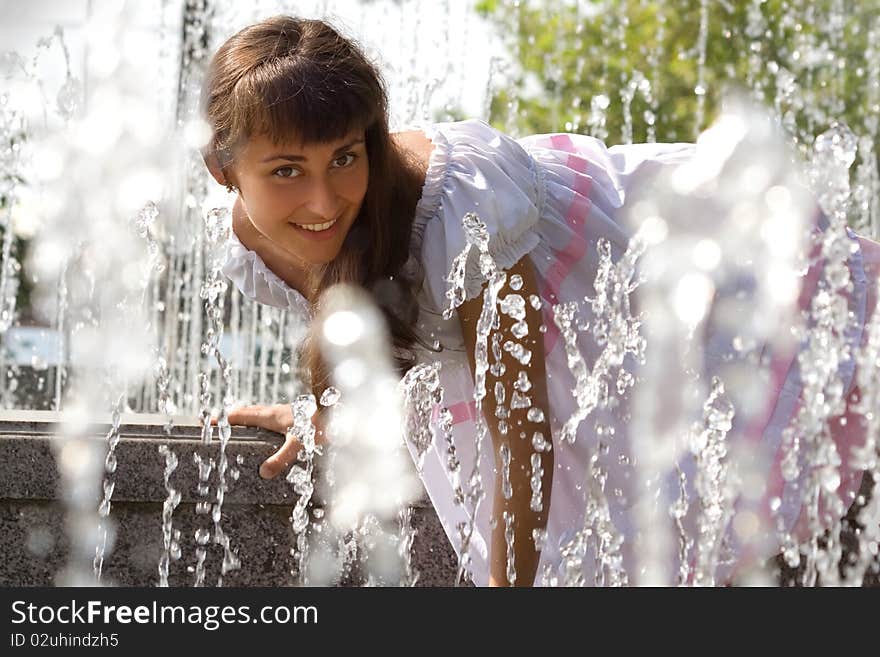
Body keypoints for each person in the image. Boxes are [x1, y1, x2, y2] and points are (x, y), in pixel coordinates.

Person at [201, 15, 879, 586]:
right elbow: (368, 311)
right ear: (224, 170)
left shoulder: (462, 214)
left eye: (345, 158)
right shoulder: (249, 239)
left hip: (663, 269)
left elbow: (522, 434)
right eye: (287, 172)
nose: (323, 202)